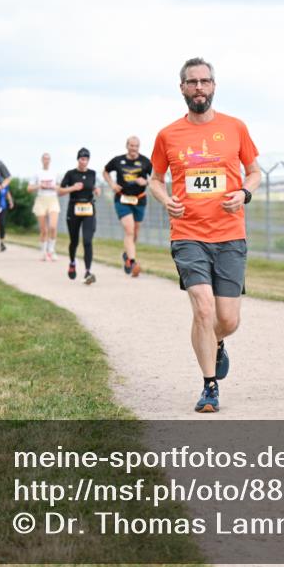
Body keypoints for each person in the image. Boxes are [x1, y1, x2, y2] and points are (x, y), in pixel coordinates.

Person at [150, 57, 261, 413]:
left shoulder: (235, 128)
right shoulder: (168, 135)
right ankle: (209, 386)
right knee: (203, 308)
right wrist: (166, 199)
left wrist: (244, 193)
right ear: (182, 88)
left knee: (227, 319)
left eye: (205, 81)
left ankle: (216, 343)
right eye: (192, 82)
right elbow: (155, 179)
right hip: (188, 234)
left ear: (214, 86)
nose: (199, 87)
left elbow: (254, 171)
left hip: (229, 234)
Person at [103, 136, 153, 277]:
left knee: (135, 232)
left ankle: (127, 254)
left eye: (136, 146)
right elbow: (105, 171)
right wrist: (112, 184)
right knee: (129, 229)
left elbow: (156, 178)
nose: (134, 148)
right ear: (127, 145)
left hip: (139, 200)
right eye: (131, 145)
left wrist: (146, 182)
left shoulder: (145, 162)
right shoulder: (118, 160)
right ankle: (132, 262)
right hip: (122, 199)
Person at [59, 148, 100, 285]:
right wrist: (72, 188)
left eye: (86, 159)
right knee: (74, 241)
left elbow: (92, 186)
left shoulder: (92, 173)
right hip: (74, 210)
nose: (84, 161)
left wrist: (96, 189)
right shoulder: (70, 174)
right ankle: (72, 262)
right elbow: (60, 191)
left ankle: (88, 271)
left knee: (87, 241)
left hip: (88, 209)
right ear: (78, 159)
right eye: (82, 159)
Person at [28, 152, 61, 261]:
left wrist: (54, 186)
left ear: (50, 160)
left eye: (48, 159)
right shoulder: (37, 173)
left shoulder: (55, 173)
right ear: (42, 160)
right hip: (41, 200)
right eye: (44, 159)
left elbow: (61, 187)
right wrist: (40, 185)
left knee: (53, 226)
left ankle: (51, 250)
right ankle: (43, 252)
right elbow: (29, 188)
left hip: (52, 200)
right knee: (44, 229)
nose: (46, 160)